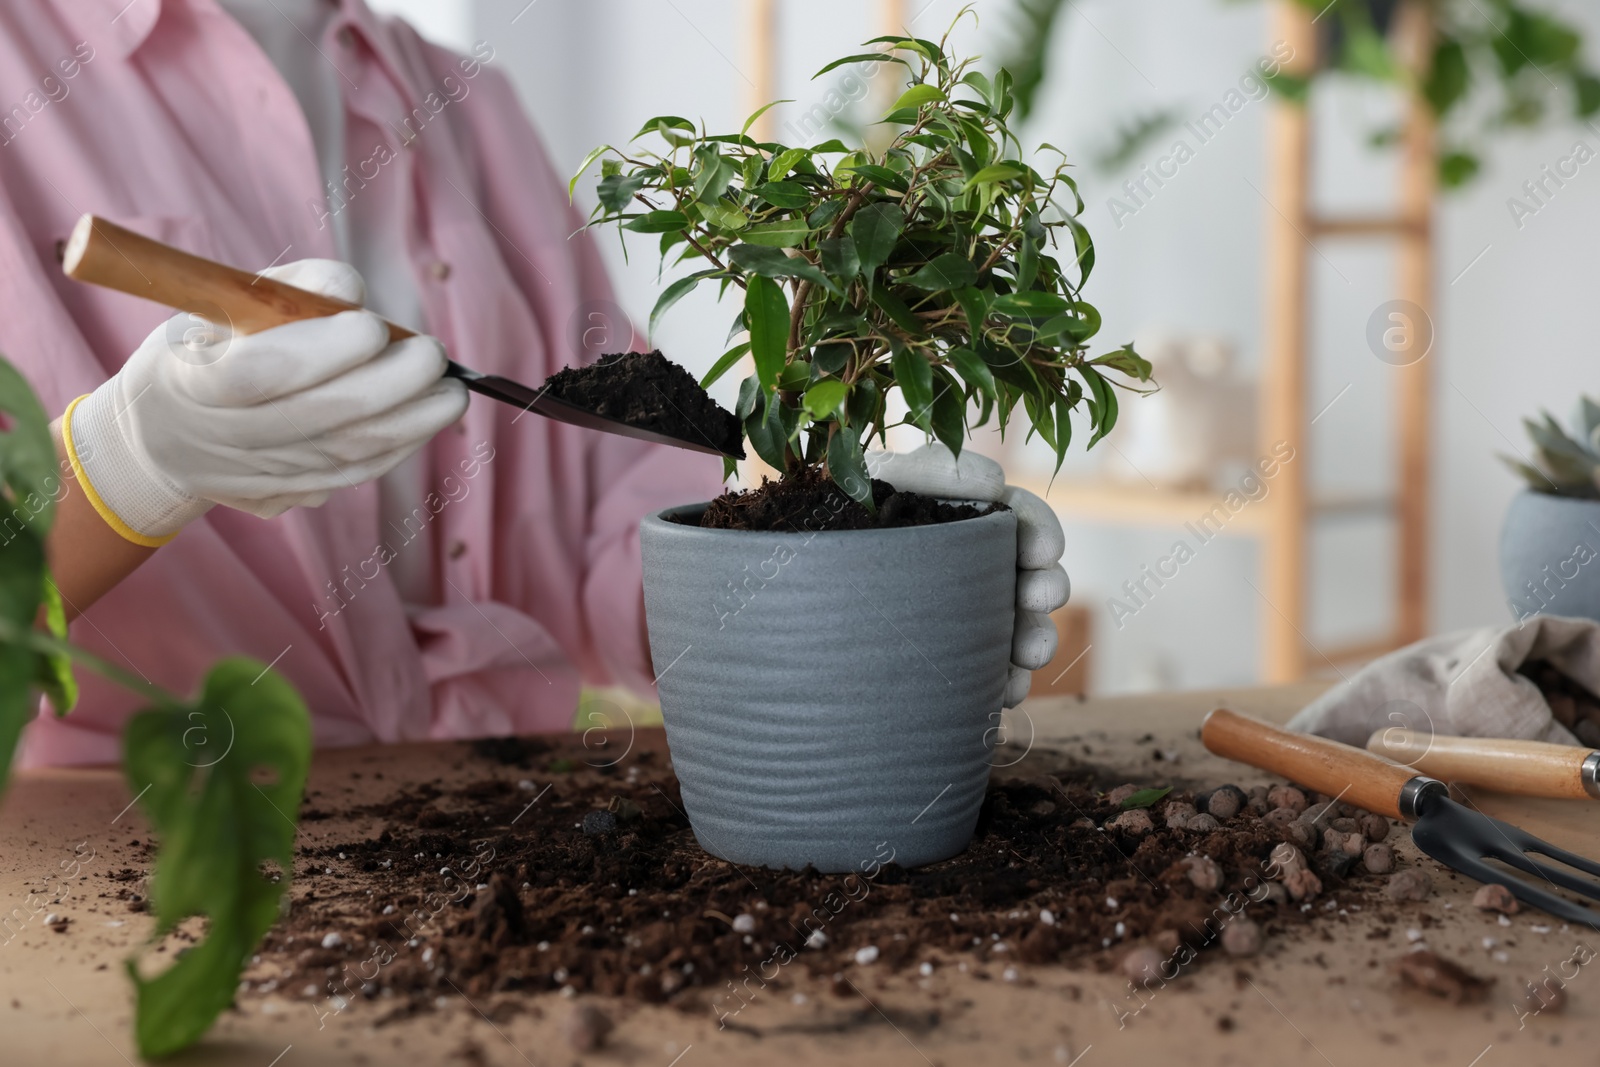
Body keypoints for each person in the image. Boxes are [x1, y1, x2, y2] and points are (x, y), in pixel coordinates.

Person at [0, 0, 1067, 766]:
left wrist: (822, 585)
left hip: (466, 833)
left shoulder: (465, 104)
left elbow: (612, 508)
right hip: (131, 865)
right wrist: (122, 466)